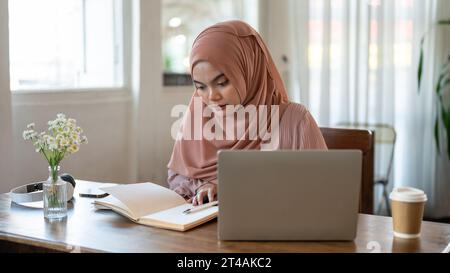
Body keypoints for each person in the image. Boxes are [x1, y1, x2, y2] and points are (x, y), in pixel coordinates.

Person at [167, 20, 327, 206]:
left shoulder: (295, 121)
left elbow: (320, 191)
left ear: (249, 69)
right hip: (206, 231)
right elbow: (177, 179)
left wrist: (230, 185)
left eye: (222, 83)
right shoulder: (198, 115)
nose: (212, 97)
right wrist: (205, 187)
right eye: (200, 87)